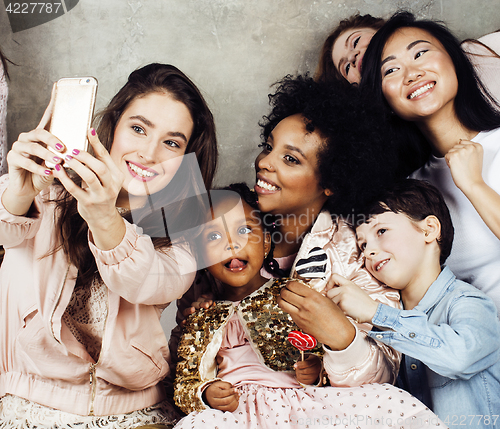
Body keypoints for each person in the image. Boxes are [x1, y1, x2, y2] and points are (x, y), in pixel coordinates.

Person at [0, 63, 217, 428]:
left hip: (136, 414)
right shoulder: (47, 190)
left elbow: (147, 282)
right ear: (110, 129)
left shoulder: (183, 229)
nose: (149, 152)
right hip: (25, 401)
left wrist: (104, 218)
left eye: (172, 142)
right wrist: (19, 192)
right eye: (138, 129)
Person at [170, 75, 404, 401]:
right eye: (269, 147)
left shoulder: (356, 252)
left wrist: (342, 337)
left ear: (332, 181)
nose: (264, 162)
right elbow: (186, 356)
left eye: (290, 159)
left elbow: (387, 370)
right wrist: (195, 323)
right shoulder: (226, 228)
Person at [173, 183, 444, 429]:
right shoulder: (201, 317)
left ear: (266, 241)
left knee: (386, 400)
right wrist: (206, 394)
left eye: (244, 230)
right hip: (237, 414)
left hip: (300, 403)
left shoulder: (291, 293)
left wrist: (316, 371)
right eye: (213, 237)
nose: (231, 243)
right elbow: (185, 381)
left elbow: (312, 344)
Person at [327, 179, 500, 427]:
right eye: (362, 244)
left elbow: (461, 356)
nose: (368, 252)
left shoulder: (468, 301)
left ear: (429, 229)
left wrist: (377, 313)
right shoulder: (379, 324)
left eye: (381, 231)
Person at [360, 11, 500, 315]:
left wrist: (474, 185)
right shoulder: (408, 193)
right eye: (391, 70)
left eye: (420, 53)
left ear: (453, 60)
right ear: (385, 101)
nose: (411, 74)